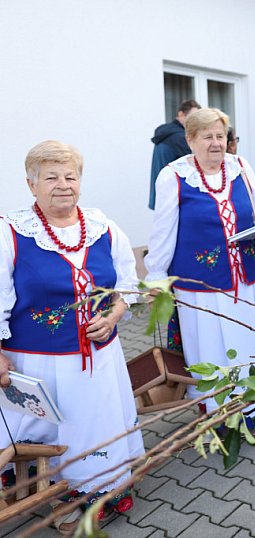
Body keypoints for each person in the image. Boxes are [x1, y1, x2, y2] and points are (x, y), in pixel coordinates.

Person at [0, 141, 145, 533]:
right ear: (31, 185)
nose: (63, 184)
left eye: (70, 176)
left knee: (92, 429)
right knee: (41, 434)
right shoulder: (10, 232)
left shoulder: (103, 226)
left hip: (98, 359)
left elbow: (129, 284)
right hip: (36, 361)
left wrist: (115, 314)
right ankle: (44, 492)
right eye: (51, 177)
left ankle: (95, 494)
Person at [145, 108, 255, 414]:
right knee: (211, 350)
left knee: (249, 342)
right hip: (200, 285)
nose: (216, 143)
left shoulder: (240, 165)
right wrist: (156, 279)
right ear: (190, 140)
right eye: (208, 137)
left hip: (245, 280)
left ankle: (250, 408)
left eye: (220, 136)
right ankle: (217, 412)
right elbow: (163, 232)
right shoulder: (174, 176)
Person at [149, 99, 201, 210]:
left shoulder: (165, 133)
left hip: (161, 195)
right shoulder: (180, 137)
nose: (195, 122)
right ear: (181, 114)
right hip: (176, 197)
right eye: (193, 117)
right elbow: (198, 168)